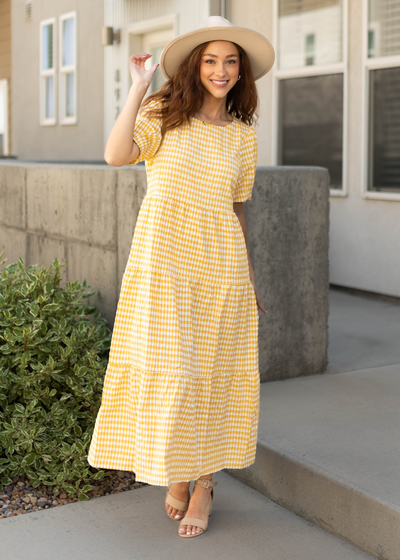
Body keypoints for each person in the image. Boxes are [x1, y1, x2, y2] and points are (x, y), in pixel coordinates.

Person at [88, 16, 275, 539]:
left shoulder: (242, 138)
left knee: (213, 373)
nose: (221, 70)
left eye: (230, 61)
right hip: (165, 266)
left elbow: (237, 214)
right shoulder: (164, 116)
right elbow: (115, 154)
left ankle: (204, 484)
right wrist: (138, 87)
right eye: (211, 60)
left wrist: (252, 280)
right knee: (176, 369)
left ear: (241, 72)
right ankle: (178, 469)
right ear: (195, 66)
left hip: (222, 269)